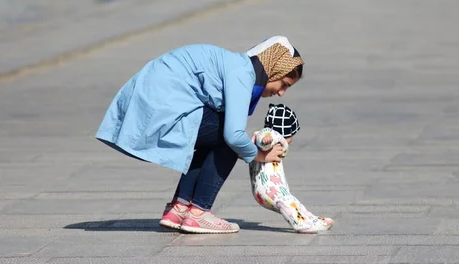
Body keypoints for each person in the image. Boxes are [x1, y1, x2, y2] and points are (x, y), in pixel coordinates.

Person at [96, 36, 305, 234]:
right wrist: (258, 155)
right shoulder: (243, 74)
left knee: (215, 134)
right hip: (160, 108)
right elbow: (233, 135)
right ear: (275, 69)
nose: (281, 93)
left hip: (152, 104)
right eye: (284, 84)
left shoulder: (237, 65)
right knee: (227, 137)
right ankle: (199, 211)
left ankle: (179, 208)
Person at [250, 104, 334, 233]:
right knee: (287, 203)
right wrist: (266, 141)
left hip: (274, 187)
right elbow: (263, 139)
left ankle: (311, 219)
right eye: (291, 135)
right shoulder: (269, 134)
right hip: (268, 189)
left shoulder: (274, 137)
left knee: (293, 202)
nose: (291, 139)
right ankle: (301, 224)